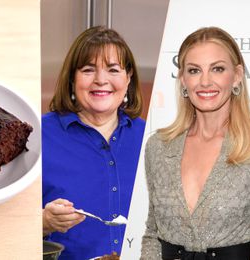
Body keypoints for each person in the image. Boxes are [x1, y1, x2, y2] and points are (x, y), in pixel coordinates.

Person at [141, 27, 250, 260]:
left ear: (237, 75)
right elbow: (153, 232)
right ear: (182, 79)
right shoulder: (158, 147)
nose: (205, 81)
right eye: (194, 70)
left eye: (217, 69)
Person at [42, 26, 146, 259]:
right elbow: (4, 222)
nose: (101, 80)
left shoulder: (151, 138)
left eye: (113, 69)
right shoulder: (39, 136)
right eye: (88, 70)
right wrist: (44, 222)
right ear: (72, 79)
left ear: (128, 78)